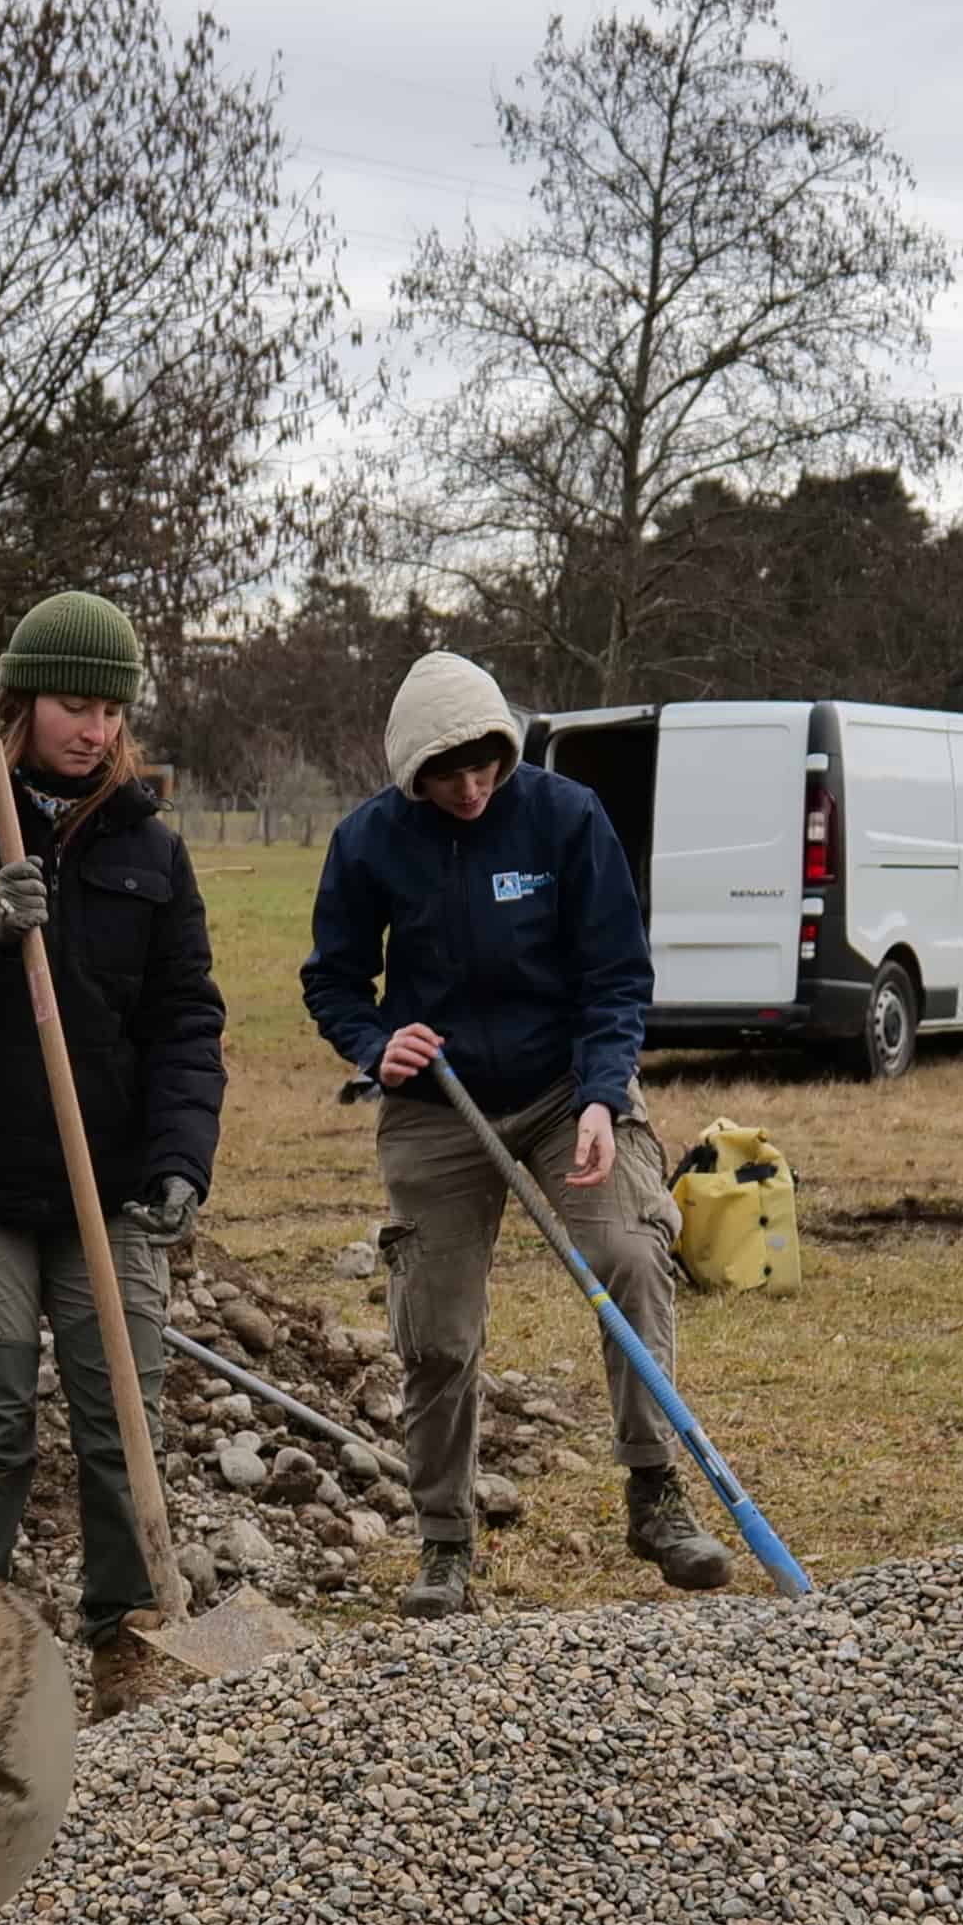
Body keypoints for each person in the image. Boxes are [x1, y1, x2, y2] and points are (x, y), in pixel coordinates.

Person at [0, 588, 226, 1711]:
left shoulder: (150, 849)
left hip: (105, 1185)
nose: (96, 729)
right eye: (75, 703)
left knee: (125, 1415)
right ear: (20, 702)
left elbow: (185, 1018)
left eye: (113, 709)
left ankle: (126, 1638)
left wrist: (179, 1157)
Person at [303, 649, 726, 1616]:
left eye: (486, 763)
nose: (471, 785)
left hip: (565, 1088)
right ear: (412, 770)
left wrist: (603, 1094)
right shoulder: (369, 842)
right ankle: (445, 1543)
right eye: (447, 772)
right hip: (438, 1103)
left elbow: (618, 973)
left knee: (629, 1253)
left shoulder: (565, 817)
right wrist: (375, 1043)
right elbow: (330, 979)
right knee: (439, 1325)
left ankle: (655, 1495)